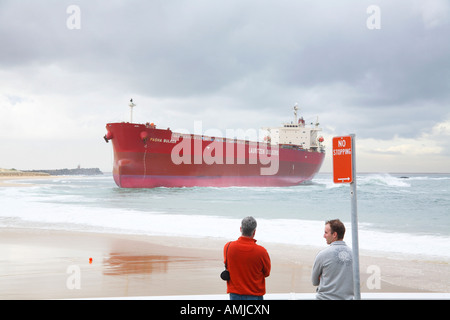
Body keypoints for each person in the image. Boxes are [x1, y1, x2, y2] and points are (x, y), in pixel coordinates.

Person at [224, 216, 271, 300]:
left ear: (240, 229)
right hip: (255, 294)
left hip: (235, 294)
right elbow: (266, 273)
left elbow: (228, 265)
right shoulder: (262, 252)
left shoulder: (228, 247)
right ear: (254, 232)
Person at [311, 219, 354, 300]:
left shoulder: (323, 255)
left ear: (334, 234)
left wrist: (324, 276)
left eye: (326, 233)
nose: (324, 236)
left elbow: (314, 281)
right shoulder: (353, 255)